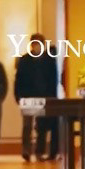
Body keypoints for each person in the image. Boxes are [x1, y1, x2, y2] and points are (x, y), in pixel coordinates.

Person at [14, 33, 59, 162]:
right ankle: (26, 150)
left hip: (44, 96)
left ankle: (40, 151)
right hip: (28, 96)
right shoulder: (25, 60)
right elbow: (19, 79)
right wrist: (18, 95)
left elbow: (54, 79)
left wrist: (52, 96)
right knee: (27, 125)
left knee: (41, 126)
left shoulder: (49, 60)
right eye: (34, 43)